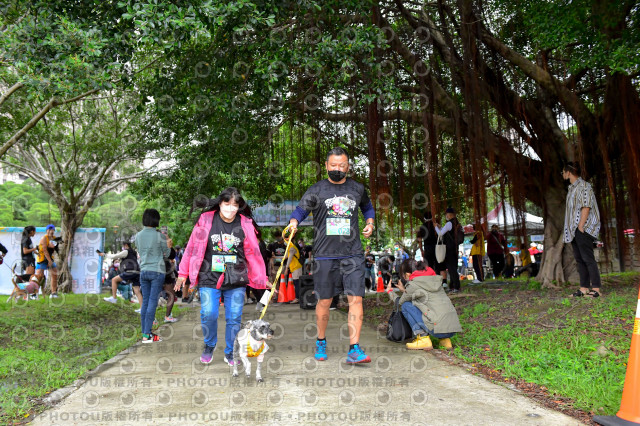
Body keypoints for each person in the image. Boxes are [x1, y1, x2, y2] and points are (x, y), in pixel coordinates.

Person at [289, 147, 375, 364]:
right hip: (325, 255)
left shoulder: (357, 188)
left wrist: (370, 222)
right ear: (326, 166)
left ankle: (354, 348)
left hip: (353, 253)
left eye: (343, 165)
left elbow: (368, 207)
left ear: (348, 166)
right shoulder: (316, 190)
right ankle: (321, 340)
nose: (338, 169)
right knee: (325, 301)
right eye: (334, 165)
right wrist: (293, 222)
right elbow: (300, 210)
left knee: (356, 298)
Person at [175, 187, 268, 365]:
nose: (231, 208)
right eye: (227, 204)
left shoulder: (245, 223)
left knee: (234, 317)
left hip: (237, 277)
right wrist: (182, 274)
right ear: (220, 203)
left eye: (235, 205)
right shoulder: (206, 220)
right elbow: (192, 248)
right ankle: (209, 345)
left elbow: (254, 255)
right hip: (209, 276)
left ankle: (230, 352)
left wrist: (262, 279)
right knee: (209, 313)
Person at [386, 259, 462, 350]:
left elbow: (400, 302)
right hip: (451, 328)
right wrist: (404, 290)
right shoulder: (435, 280)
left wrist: (390, 291)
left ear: (407, 274)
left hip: (437, 329)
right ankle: (445, 341)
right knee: (435, 307)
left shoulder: (414, 284)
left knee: (406, 305)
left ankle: (423, 339)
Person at [562, 162, 601, 297]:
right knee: (579, 259)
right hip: (574, 229)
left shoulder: (584, 186)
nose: (562, 174)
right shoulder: (571, 189)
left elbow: (586, 206)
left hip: (583, 228)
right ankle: (584, 288)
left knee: (588, 258)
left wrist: (581, 226)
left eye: (563, 171)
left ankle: (596, 289)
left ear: (568, 172)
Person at [135, 209, 171, 343]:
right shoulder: (159, 236)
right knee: (152, 302)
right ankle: (147, 335)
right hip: (157, 271)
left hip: (143, 271)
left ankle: (145, 333)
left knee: (145, 302)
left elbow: (140, 251)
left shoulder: (138, 235)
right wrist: (168, 244)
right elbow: (166, 254)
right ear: (156, 220)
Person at [434, 208, 462, 293]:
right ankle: (453, 286)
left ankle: (456, 286)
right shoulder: (457, 223)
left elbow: (440, 234)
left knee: (451, 268)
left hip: (449, 248)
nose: (446, 216)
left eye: (446, 215)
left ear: (449, 215)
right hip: (454, 247)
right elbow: (448, 231)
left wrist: (436, 227)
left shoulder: (449, 223)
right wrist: (441, 227)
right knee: (453, 267)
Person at [35, 224, 59, 298]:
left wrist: (54, 246)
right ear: (47, 231)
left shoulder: (54, 238)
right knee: (39, 277)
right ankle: (34, 293)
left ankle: (53, 292)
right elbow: (45, 250)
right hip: (42, 259)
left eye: (53, 231)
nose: (51, 232)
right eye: (50, 230)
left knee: (54, 274)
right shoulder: (44, 238)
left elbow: (55, 247)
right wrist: (49, 261)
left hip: (50, 259)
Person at [282, 238, 303, 304]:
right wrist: (275, 257)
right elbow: (285, 257)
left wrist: (286, 268)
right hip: (294, 268)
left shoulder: (292, 248)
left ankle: (298, 298)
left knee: (297, 283)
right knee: (296, 282)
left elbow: (289, 258)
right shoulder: (289, 248)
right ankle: (298, 298)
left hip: (296, 267)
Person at [162, 238, 179, 323]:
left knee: (153, 297)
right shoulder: (164, 250)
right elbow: (172, 255)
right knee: (171, 295)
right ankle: (167, 316)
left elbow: (172, 255)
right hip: (166, 275)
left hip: (156, 274)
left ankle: (152, 319)